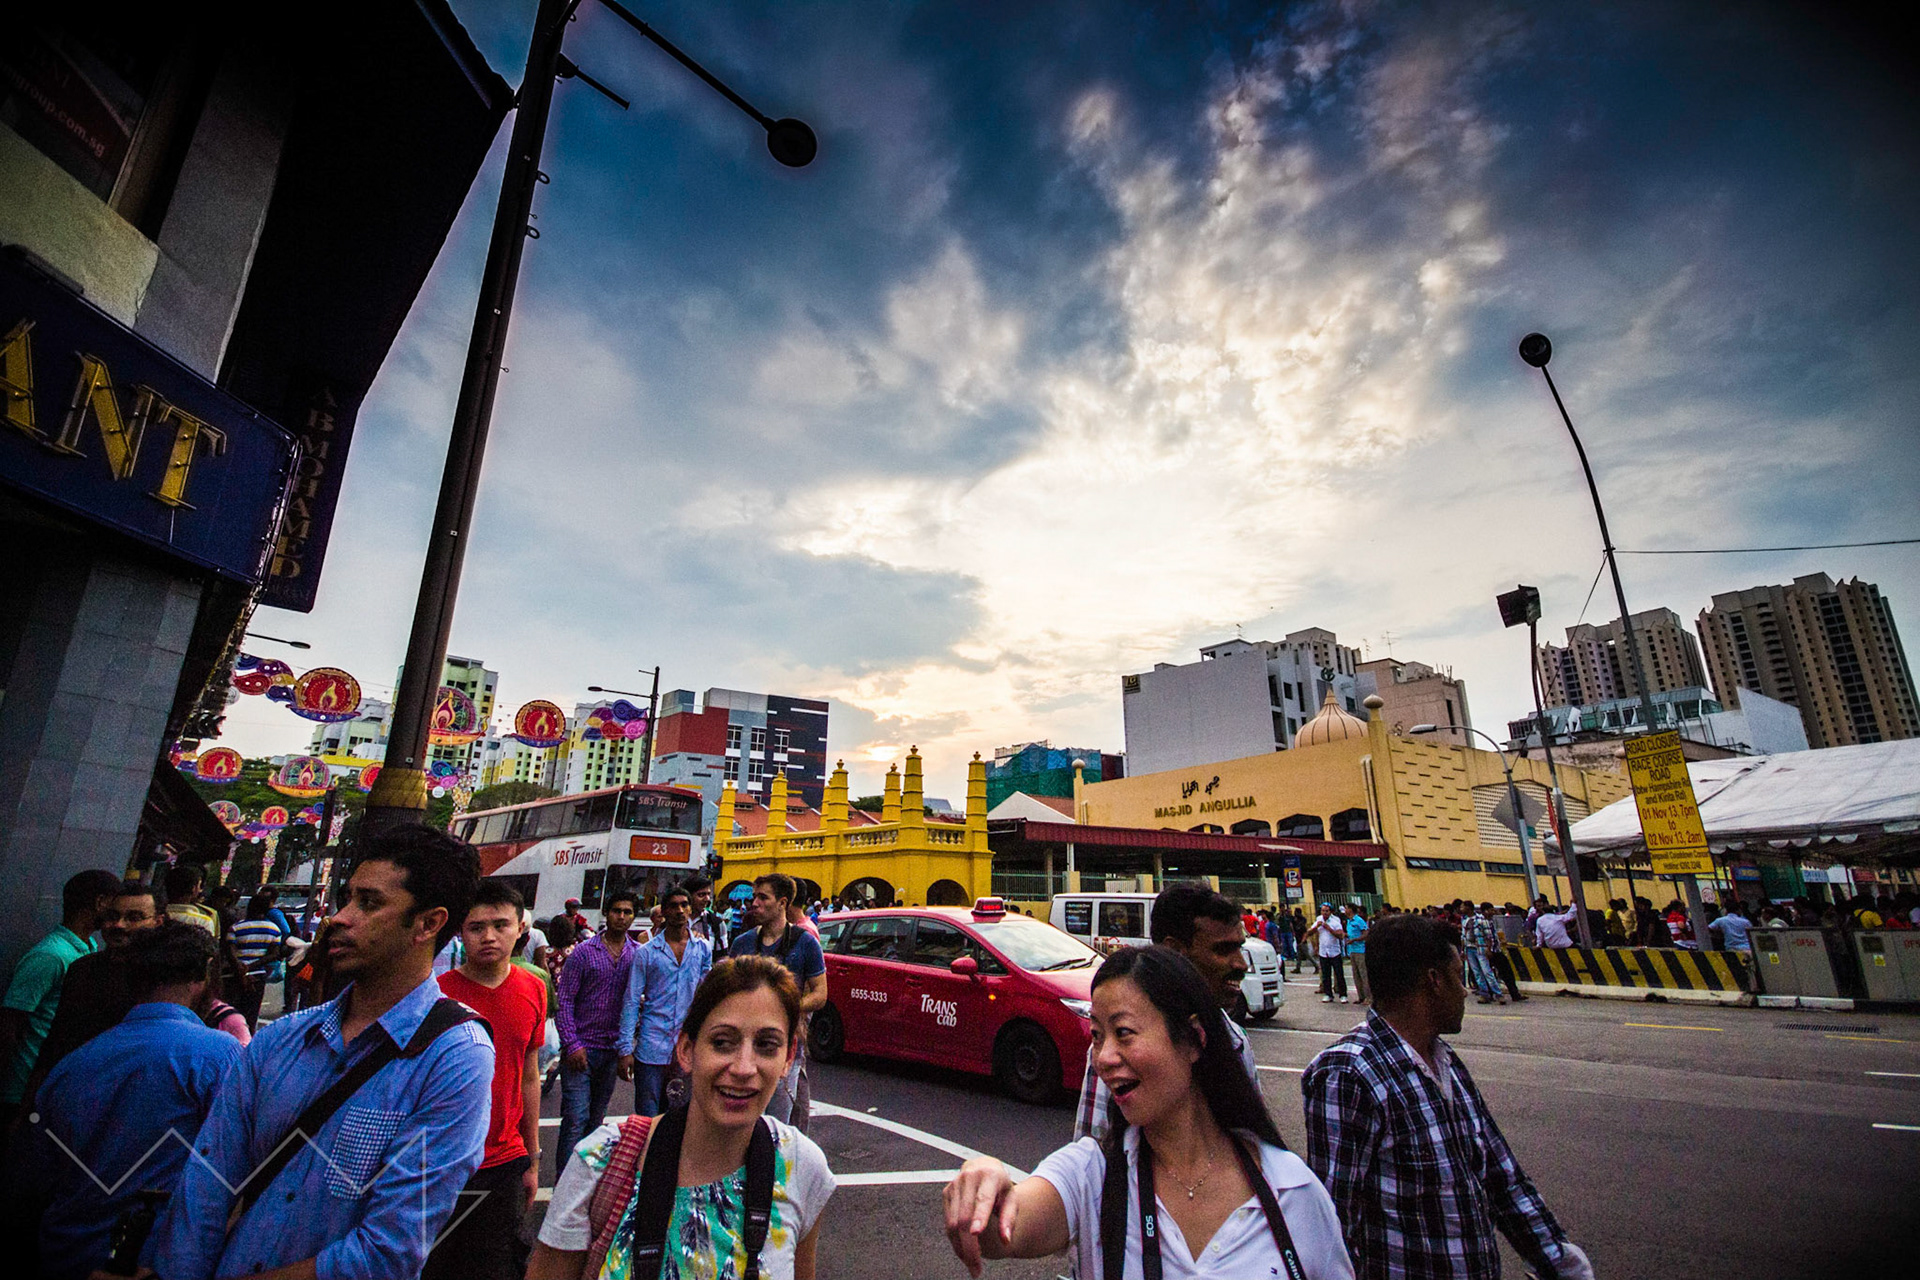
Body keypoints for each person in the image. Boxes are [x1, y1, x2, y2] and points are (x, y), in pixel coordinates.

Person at [155, 824, 494, 1280]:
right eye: (348, 899)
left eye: (369, 904)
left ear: (429, 923)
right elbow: (203, 1192)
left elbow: (390, 1250)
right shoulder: (280, 1039)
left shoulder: (456, 1056)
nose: (340, 917)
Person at [944, 946, 1354, 1280]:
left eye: (1124, 1033)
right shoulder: (1094, 1175)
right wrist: (986, 1188)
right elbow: (1004, 1233)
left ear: (1193, 1040)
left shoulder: (1294, 1191)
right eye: (1097, 1036)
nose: (1103, 1058)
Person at [1303, 915, 1592, 1280]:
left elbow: (1503, 1179)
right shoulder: (1349, 1074)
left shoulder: (1444, 1060)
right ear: (1434, 981)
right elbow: (1334, 1222)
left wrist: (1560, 1262)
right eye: (1459, 975)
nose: (1466, 990)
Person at [529, 956, 836, 1279]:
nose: (744, 1068)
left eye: (766, 1045)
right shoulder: (599, 1162)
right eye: (722, 1043)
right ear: (687, 1050)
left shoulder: (801, 1167)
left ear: (789, 1058)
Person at [30, 923, 240, 1280]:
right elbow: (240, 1170)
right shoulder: (219, 1056)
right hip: (148, 1261)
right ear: (206, 972)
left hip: (63, 1255)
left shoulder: (72, 1065)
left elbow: (36, 1178)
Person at [426, 881, 549, 1280]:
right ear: (461, 932)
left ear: (520, 929)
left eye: (501, 925)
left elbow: (529, 1075)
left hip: (504, 1159)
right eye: (477, 927)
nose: (489, 937)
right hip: (440, 1161)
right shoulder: (436, 995)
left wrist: (532, 1157)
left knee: (497, 1265)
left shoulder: (534, 988)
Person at [1073, 882, 1257, 1142]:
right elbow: (1092, 1154)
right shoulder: (1113, 1053)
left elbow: (1252, 1141)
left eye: (1240, 947)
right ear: (1175, 952)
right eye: (1223, 949)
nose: (1240, 964)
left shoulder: (1235, 1039)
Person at [21, 879, 164, 1101]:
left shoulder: (162, 981)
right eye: (112, 916)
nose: (119, 925)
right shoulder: (82, 968)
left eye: (134, 918)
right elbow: (55, 1042)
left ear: (158, 922)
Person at [0, 868, 120, 1125]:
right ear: (100, 902)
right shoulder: (51, 955)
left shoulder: (89, 948)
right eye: (114, 904)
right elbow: (10, 1023)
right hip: (20, 1091)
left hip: (51, 1085)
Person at [727, 873, 827, 1129]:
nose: (755, 904)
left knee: (776, 1124)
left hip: (786, 1046)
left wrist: (787, 1006)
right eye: (754, 898)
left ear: (783, 903)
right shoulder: (742, 943)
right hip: (744, 1044)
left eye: (763, 898)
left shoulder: (805, 943)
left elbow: (820, 994)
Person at [556, 888, 640, 1163]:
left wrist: (625, 1049)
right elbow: (565, 1001)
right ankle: (562, 1188)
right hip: (581, 1049)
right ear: (607, 913)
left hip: (611, 1051)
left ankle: (584, 1184)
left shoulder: (636, 955)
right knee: (575, 1119)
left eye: (627, 912)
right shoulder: (583, 953)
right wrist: (572, 1044)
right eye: (617, 911)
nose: (621, 917)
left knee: (595, 1122)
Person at [618, 882, 714, 1115]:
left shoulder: (702, 948)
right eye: (673, 906)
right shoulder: (646, 953)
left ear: (691, 910)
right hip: (652, 1045)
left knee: (681, 1117)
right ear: (664, 912)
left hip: (687, 1046)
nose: (680, 911)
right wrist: (624, 1049)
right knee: (647, 1118)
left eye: (684, 905)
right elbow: (631, 1001)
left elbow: (706, 998)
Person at [1461, 903, 1508, 1005]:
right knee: (1477, 973)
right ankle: (1484, 993)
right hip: (1469, 948)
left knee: (1487, 972)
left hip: (1480, 948)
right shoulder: (1465, 920)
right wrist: (1463, 950)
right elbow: (1464, 936)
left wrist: (1489, 948)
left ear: (1468, 908)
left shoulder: (1481, 920)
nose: (1461, 909)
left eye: (1463, 907)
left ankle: (1498, 994)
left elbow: (1489, 936)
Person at [164, 862, 222, 935]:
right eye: (199, 885)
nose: (200, 890)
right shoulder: (203, 921)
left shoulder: (153, 916)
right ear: (193, 888)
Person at [1307, 903, 1348, 1002]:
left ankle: (1343, 995)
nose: (1324, 913)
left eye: (1327, 911)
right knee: (1326, 975)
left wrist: (1329, 928)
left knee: (1339, 974)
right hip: (1323, 951)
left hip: (1334, 951)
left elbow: (1340, 935)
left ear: (1330, 912)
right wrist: (1316, 927)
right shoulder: (1318, 920)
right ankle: (1328, 994)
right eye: (1323, 911)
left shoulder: (1335, 921)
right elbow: (1309, 932)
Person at [682, 873, 729, 949]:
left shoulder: (716, 923)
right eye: (701, 895)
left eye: (708, 894)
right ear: (688, 896)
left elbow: (722, 957)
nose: (707, 899)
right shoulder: (674, 920)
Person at [1345, 906, 1371, 1005]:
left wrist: (1355, 940)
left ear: (1351, 910)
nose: (1345, 910)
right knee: (1356, 975)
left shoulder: (1359, 920)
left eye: (1347, 908)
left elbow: (1366, 934)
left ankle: (1369, 997)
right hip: (1351, 950)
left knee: (1363, 974)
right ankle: (1361, 996)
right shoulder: (1349, 921)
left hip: (1360, 950)